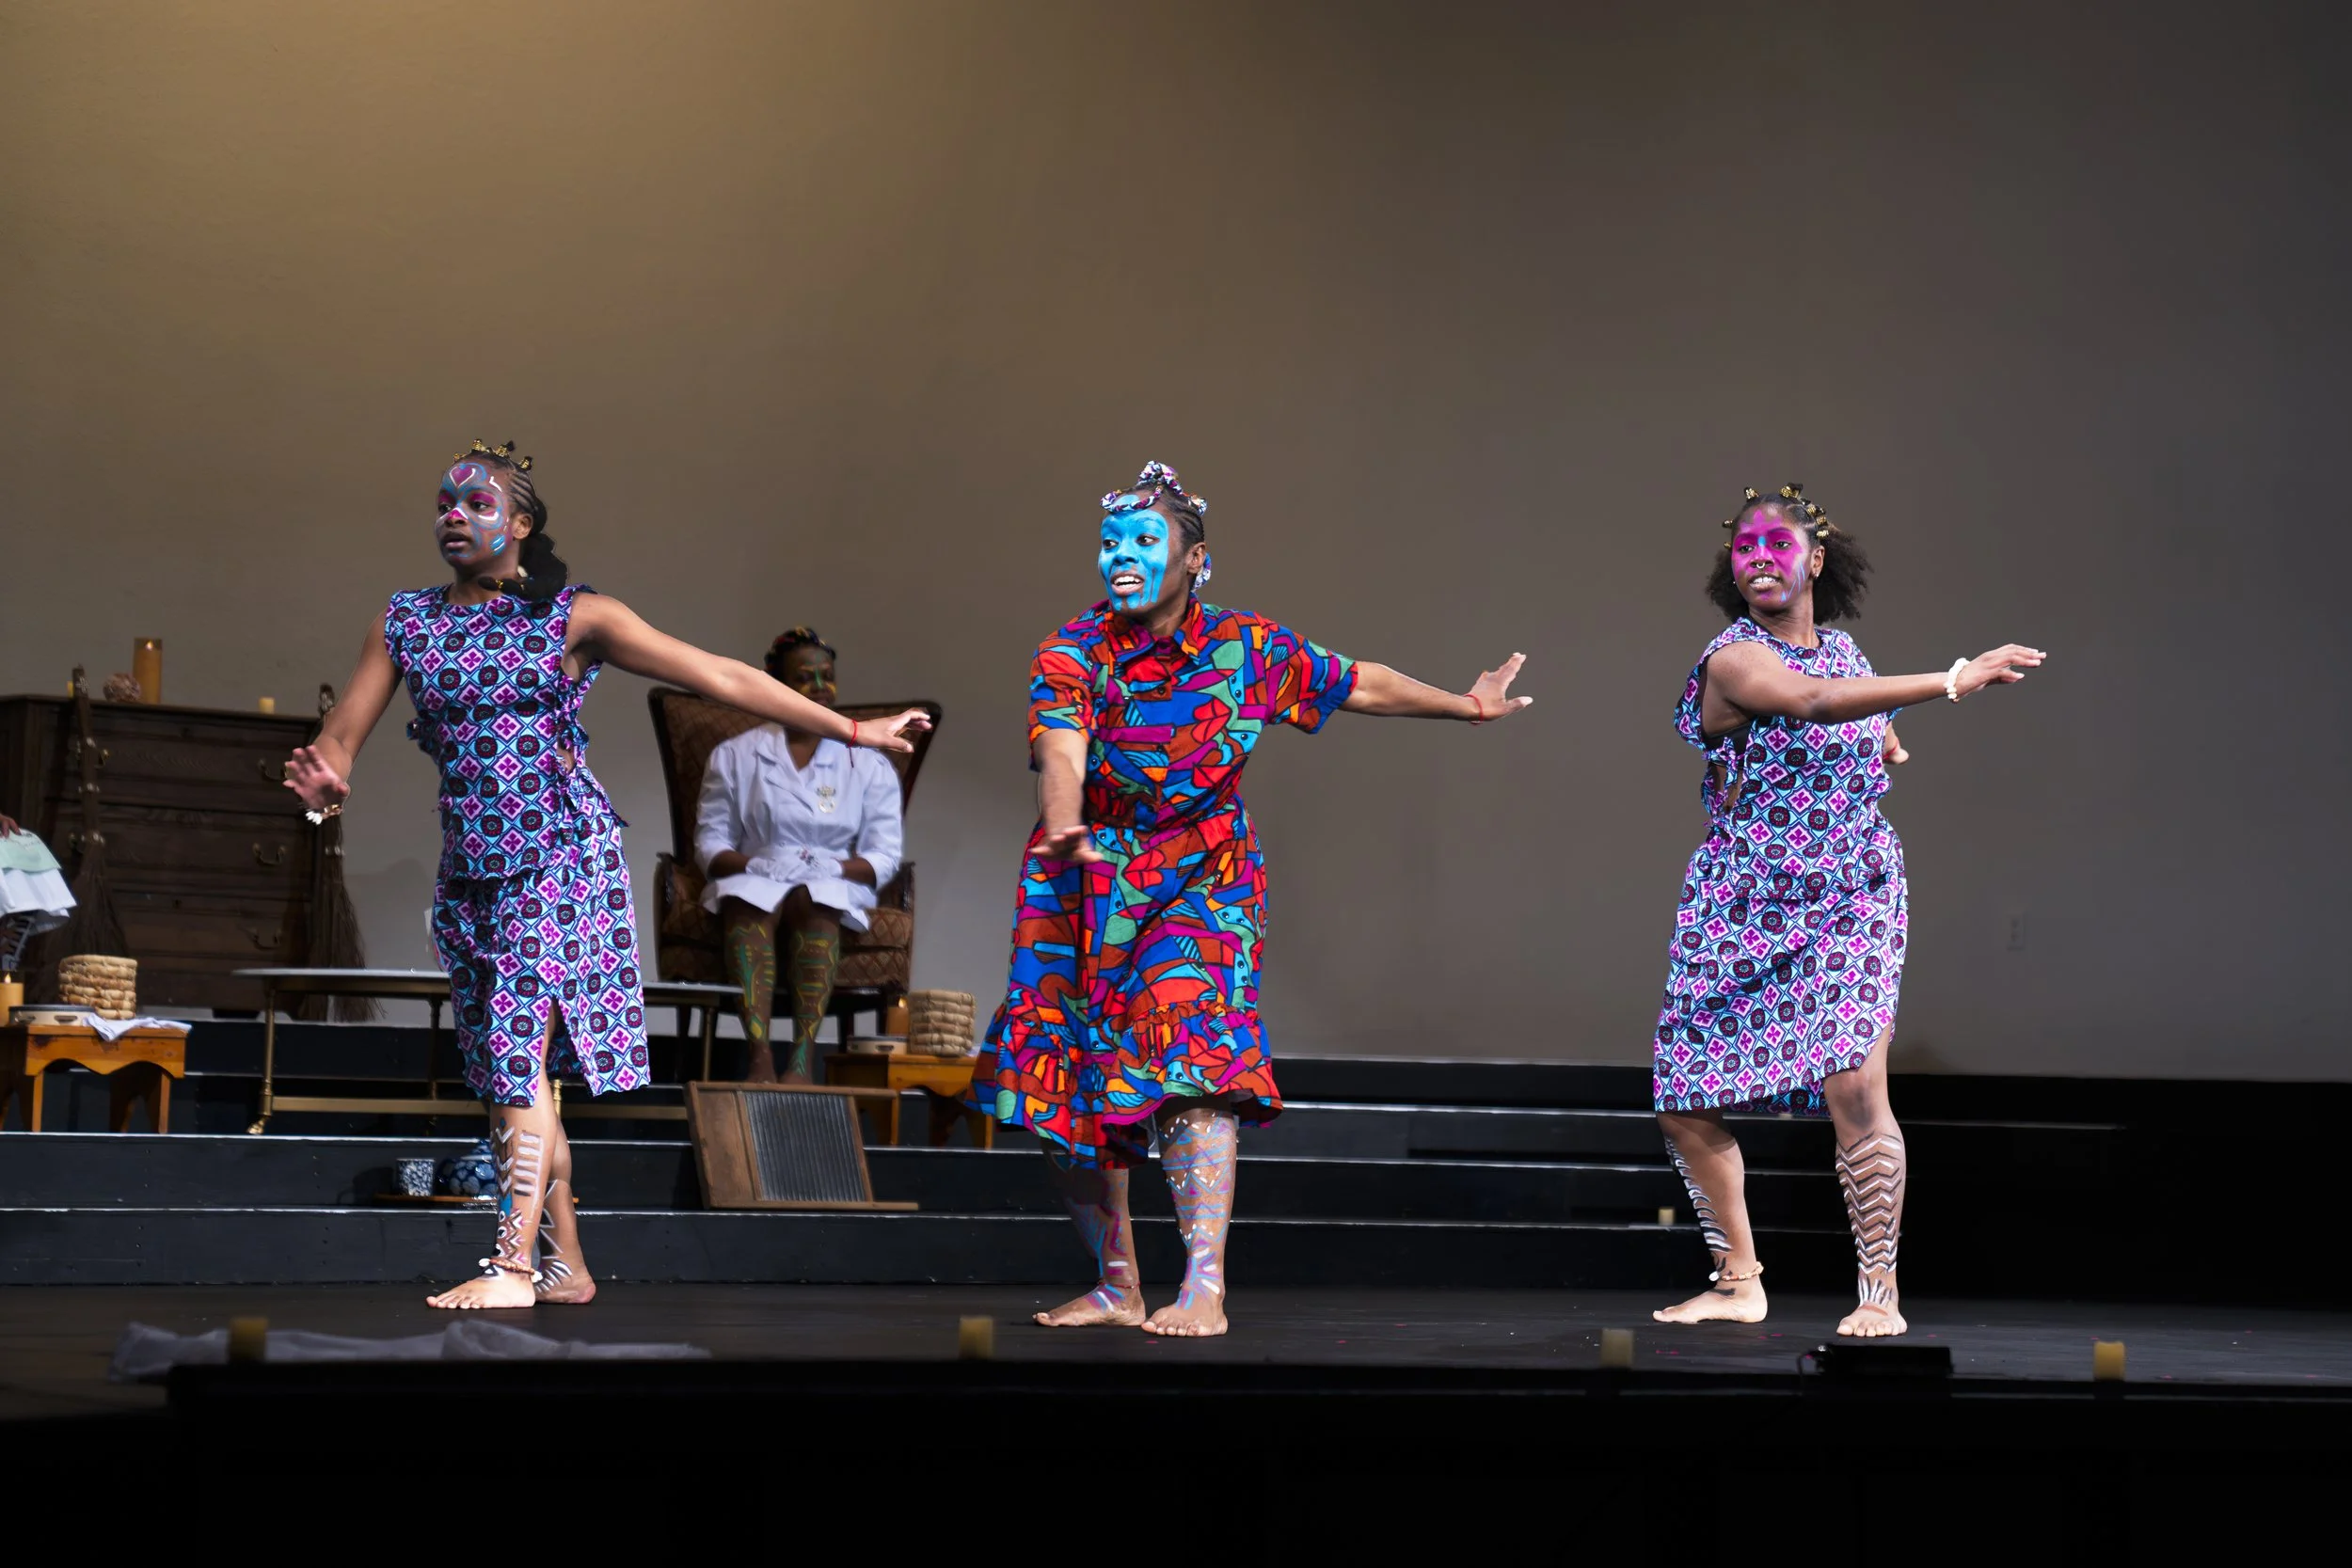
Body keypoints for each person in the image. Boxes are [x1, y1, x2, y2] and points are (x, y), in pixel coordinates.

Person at [281, 441, 929, 1310]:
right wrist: (324, 784)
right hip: (472, 867)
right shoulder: (405, 622)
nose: (453, 516)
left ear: (519, 525)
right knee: (511, 1073)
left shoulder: (577, 617)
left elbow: (722, 674)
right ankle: (569, 1263)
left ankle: (511, 1264)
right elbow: (338, 742)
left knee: (515, 1063)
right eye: (443, 502)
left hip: (561, 856)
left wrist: (853, 732)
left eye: (476, 504)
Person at [968, 460, 1533, 1337]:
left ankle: (1202, 1287)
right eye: (1111, 541)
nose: (1122, 556)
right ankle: (1117, 1284)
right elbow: (1060, 744)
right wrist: (1065, 821)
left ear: (1197, 560)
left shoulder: (1250, 646)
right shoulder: (1070, 649)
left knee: (1195, 1059)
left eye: (1145, 540)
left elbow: (1359, 681)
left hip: (1203, 871)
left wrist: (1463, 706)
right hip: (1082, 874)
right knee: (1066, 1077)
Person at [1649, 483, 2043, 1338]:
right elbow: (1810, 703)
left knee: (1856, 1083)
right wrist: (1950, 679)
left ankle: (1878, 1291)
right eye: (1744, 547)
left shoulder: (1848, 653)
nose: (1758, 556)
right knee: (1684, 1095)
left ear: (1814, 561)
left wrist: (1889, 734)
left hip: (1850, 889)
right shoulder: (1731, 659)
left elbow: (1855, 710)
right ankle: (1738, 1277)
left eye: (1777, 544)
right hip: (1743, 896)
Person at [695, 626, 905, 1084]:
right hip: (756, 872)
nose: (818, 688)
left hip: (831, 876)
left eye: (826, 676)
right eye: (803, 677)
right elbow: (710, 844)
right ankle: (759, 1057)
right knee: (746, 901)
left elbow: (885, 854)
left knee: (817, 902)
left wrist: (833, 867)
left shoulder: (867, 762)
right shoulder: (735, 755)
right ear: (775, 684)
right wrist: (755, 864)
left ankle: (801, 1058)